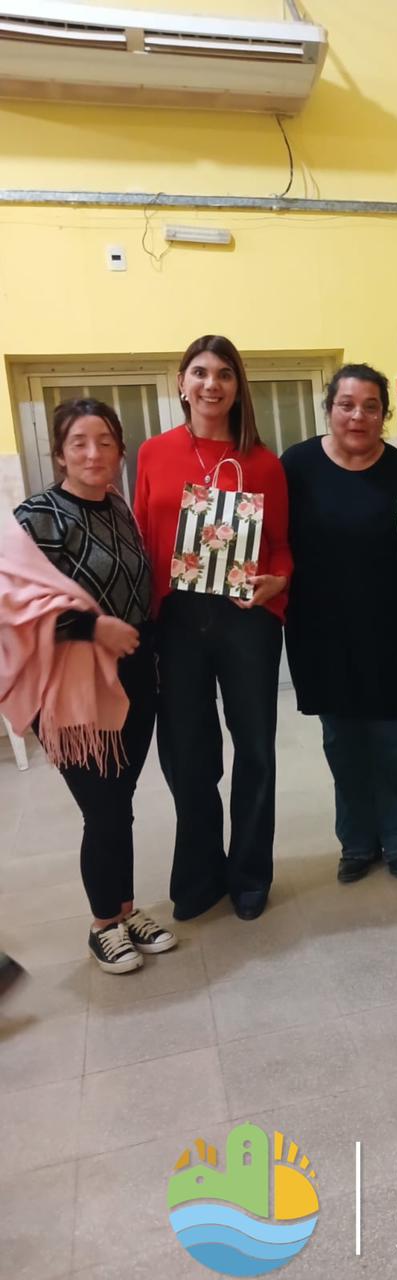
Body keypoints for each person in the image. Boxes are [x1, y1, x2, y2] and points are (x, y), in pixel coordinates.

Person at [1, 399, 176, 973]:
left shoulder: (118, 508)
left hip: (134, 677)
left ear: (120, 452)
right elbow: (12, 607)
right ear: (59, 454)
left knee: (119, 804)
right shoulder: (37, 517)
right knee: (101, 808)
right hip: (71, 687)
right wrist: (91, 628)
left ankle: (124, 909)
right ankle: (103, 924)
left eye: (105, 442)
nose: (93, 453)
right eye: (79, 442)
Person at [134, 336, 292, 922]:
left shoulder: (264, 462)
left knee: (255, 748)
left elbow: (281, 545)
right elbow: (143, 538)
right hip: (176, 620)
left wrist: (277, 581)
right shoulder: (154, 454)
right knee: (188, 752)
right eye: (199, 372)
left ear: (237, 387)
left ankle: (250, 873)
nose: (211, 384)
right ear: (182, 383)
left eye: (224, 374)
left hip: (246, 619)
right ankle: (200, 874)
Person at [282, 364, 397, 882]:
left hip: (391, 630)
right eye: (346, 405)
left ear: (384, 414)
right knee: (342, 742)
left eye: (370, 407)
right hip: (321, 632)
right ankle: (357, 842)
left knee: (393, 740)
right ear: (329, 409)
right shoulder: (297, 465)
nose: (357, 416)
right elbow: (275, 538)